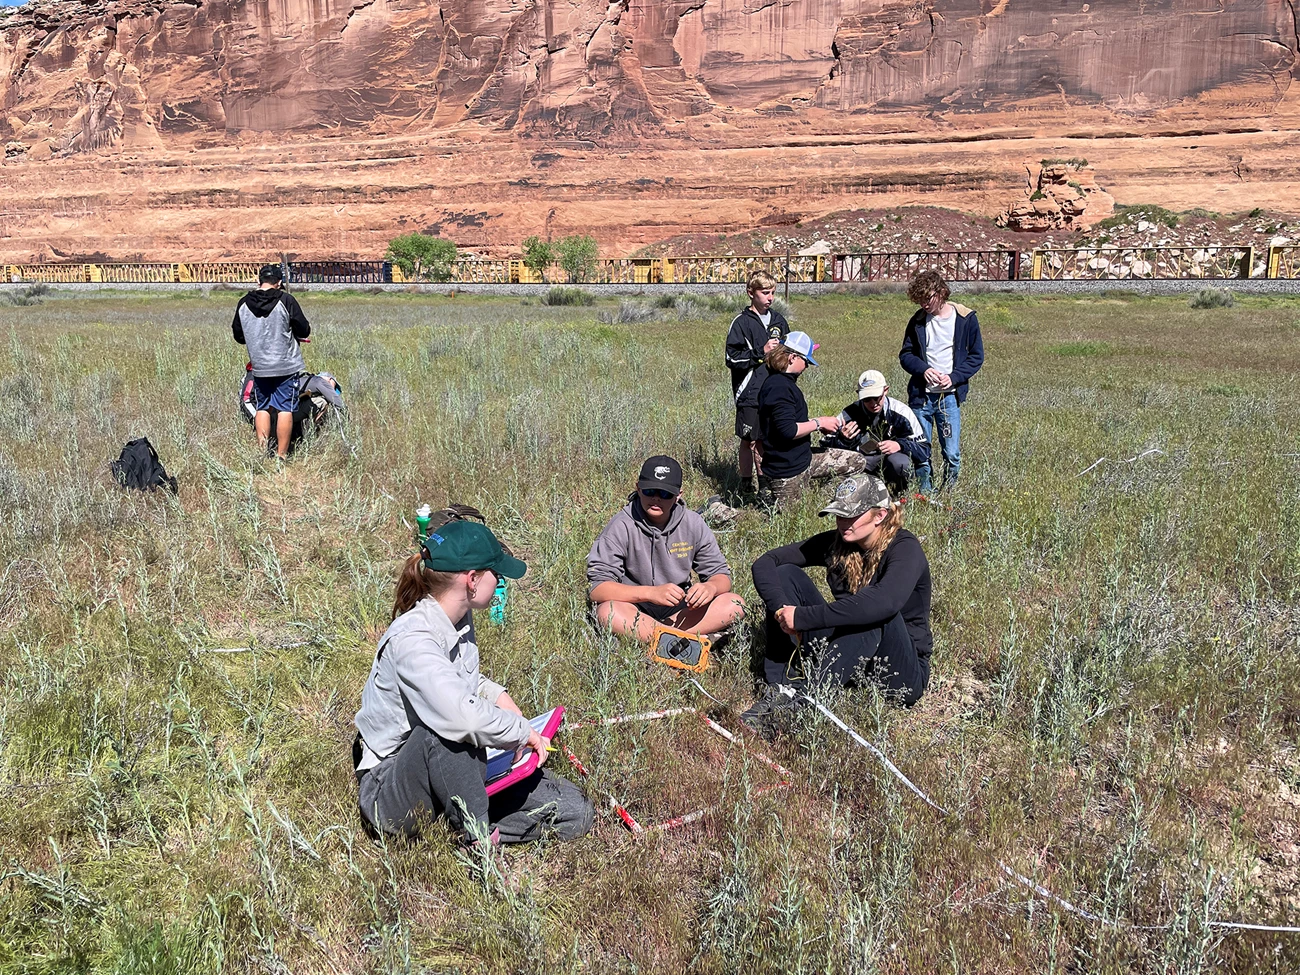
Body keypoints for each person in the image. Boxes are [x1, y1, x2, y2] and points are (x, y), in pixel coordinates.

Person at [354, 519, 593, 846]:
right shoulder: (412, 640)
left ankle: (457, 818)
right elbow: (460, 717)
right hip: (391, 787)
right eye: (497, 574)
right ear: (472, 580)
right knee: (448, 732)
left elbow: (459, 681)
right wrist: (520, 730)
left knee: (574, 810)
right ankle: (477, 842)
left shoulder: (457, 617)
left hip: (453, 768)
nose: (501, 582)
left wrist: (497, 696)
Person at [742, 473, 932, 734]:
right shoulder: (839, 542)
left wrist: (804, 618)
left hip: (901, 671)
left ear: (880, 516)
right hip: (852, 655)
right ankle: (782, 686)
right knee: (786, 573)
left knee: (871, 613)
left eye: (851, 515)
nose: (843, 523)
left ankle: (805, 707)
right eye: (839, 514)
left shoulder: (904, 548)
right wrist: (783, 612)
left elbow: (884, 603)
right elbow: (766, 562)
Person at [588, 455, 745, 643]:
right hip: (635, 607)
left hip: (679, 609)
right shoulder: (621, 525)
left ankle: (659, 639)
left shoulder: (693, 523)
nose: (656, 499)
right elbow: (597, 588)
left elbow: (721, 576)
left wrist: (710, 587)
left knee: (736, 604)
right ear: (638, 488)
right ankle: (686, 641)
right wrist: (650, 593)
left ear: (679, 494)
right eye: (649, 491)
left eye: (665, 494)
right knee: (608, 612)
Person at [898, 270, 984, 494]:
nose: (924, 304)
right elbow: (906, 355)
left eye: (928, 299)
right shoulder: (917, 321)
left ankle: (949, 493)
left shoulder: (966, 319)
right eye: (920, 300)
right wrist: (923, 370)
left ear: (941, 292)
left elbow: (976, 357)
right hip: (921, 397)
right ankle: (925, 493)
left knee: (952, 452)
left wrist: (954, 378)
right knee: (920, 449)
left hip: (949, 398)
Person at [755, 330, 843, 507]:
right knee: (777, 520)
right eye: (806, 361)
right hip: (786, 470)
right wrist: (819, 423)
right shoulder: (779, 387)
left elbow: (785, 421)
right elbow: (787, 431)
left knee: (856, 462)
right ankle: (719, 511)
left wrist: (815, 425)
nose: (807, 366)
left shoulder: (782, 382)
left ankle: (824, 502)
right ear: (792, 357)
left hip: (803, 459)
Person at [232, 264, 312, 459]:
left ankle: (261, 451)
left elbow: (239, 336)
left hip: (259, 366)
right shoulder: (286, 300)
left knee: (263, 407)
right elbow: (304, 330)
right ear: (279, 283)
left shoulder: (243, 303)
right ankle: (281, 455)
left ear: (259, 281)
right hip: (286, 364)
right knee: (285, 408)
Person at [725, 272, 789, 493]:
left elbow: (789, 354)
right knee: (749, 439)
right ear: (751, 293)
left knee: (766, 439)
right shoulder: (741, 323)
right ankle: (745, 483)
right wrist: (761, 353)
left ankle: (765, 484)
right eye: (765, 293)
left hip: (774, 391)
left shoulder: (779, 321)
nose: (770, 298)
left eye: (772, 293)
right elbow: (731, 358)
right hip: (749, 392)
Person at [820, 370, 929, 496]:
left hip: (891, 462)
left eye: (877, 397)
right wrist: (842, 439)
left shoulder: (901, 412)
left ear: (886, 390)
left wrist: (900, 445)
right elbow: (825, 448)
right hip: (860, 463)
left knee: (900, 463)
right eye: (867, 399)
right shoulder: (849, 414)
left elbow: (924, 450)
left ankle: (897, 495)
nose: (873, 403)